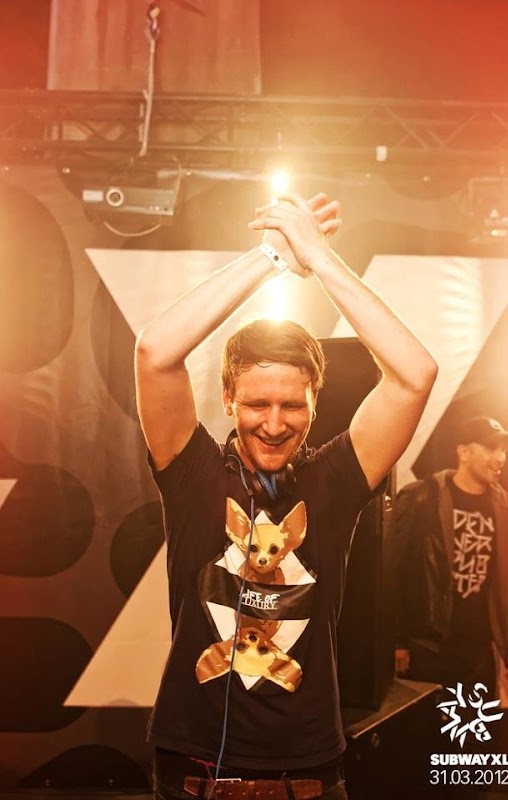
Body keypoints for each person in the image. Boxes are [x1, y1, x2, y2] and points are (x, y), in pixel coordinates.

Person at [135, 191, 438, 800]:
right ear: (228, 400)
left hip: (310, 777)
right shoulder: (193, 472)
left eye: (292, 405)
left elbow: (415, 375)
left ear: (314, 403)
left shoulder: (334, 481)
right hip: (193, 775)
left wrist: (319, 258)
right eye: (256, 403)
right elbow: (154, 351)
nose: (274, 424)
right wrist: (272, 256)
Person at [394, 415, 508, 698]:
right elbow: (395, 573)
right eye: (491, 448)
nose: (501, 458)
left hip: (479, 652)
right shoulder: (423, 498)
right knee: (428, 727)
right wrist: (397, 641)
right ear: (464, 452)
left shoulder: (504, 506)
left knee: (477, 727)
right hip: (429, 649)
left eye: (503, 450)